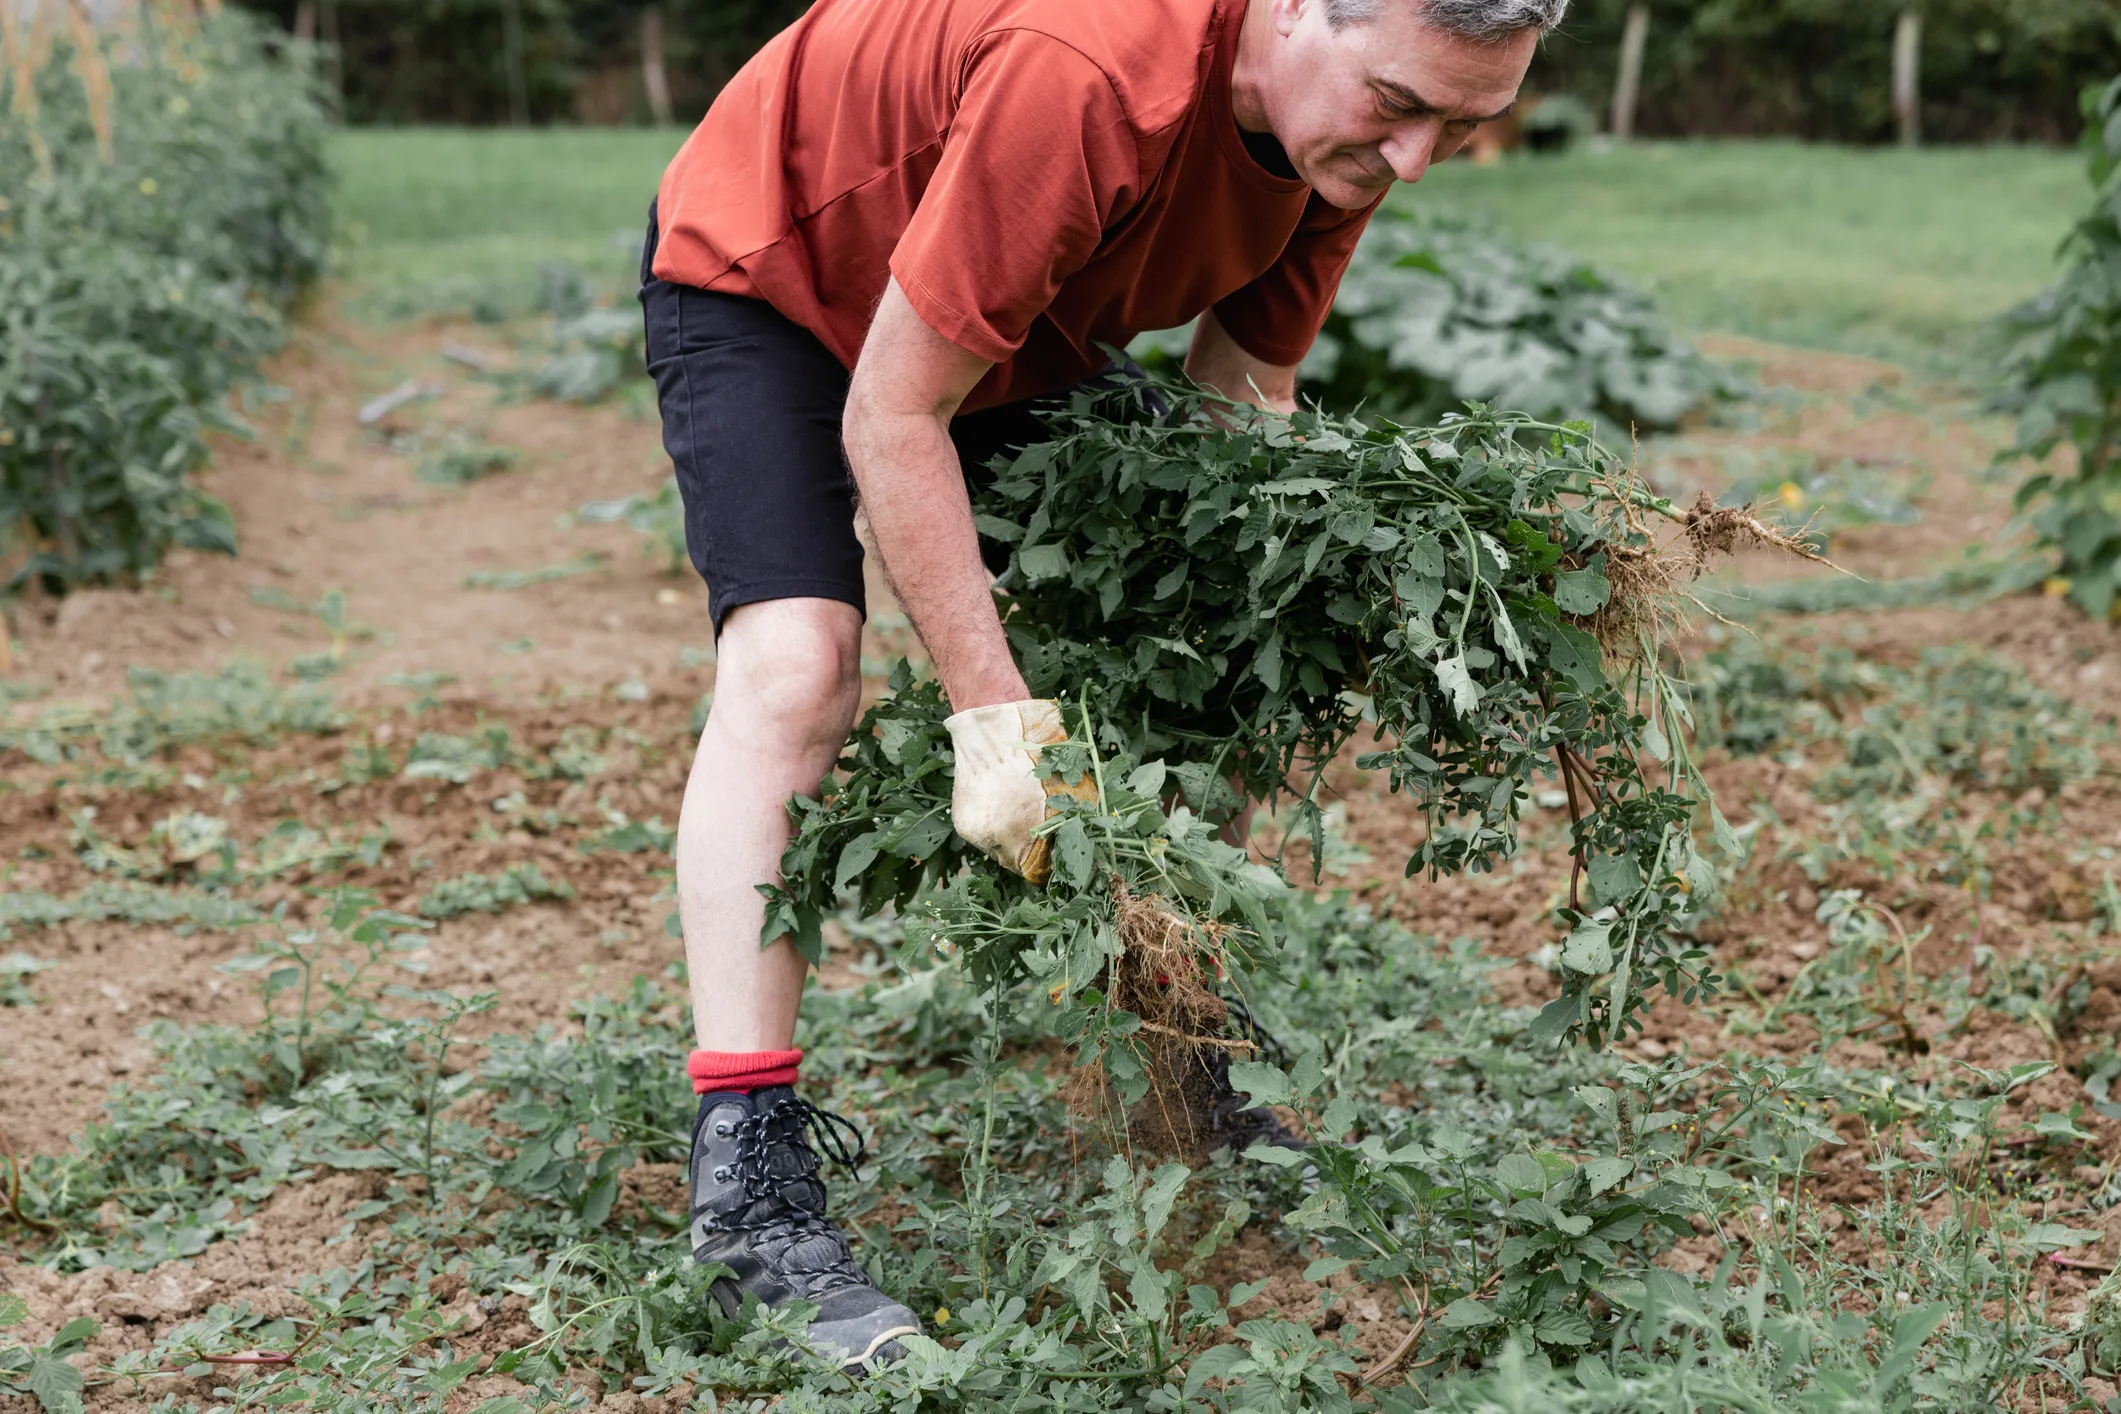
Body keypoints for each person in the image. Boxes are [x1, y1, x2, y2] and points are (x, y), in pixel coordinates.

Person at [639, 0, 1563, 1372]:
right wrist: (997, 717)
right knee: (798, 669)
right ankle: (748, 1195)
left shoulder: (1340, 143)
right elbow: (896, 410)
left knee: (1217, 615)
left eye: (1463, 125)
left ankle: (1184, 1054)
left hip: (1008, 317)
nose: (1417, 159)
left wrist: (1238, 602)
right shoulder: (1093, 73)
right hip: (779, 276)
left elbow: (1242, 383)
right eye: (1397, 103)